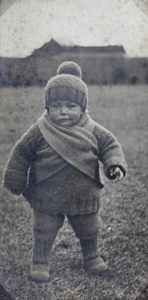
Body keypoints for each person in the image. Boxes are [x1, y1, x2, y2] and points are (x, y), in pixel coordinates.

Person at [3, 61, 127, 282]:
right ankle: (40, 261)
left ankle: (91, 256)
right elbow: (21, 152)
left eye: (71, 106)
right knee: (44, 228)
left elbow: (110, 146)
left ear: (82, 107)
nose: (63, 112)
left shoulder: (93, 129)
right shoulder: (40, 130)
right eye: (56, 105)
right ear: (47, 108)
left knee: (89, 227)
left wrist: (113, 164)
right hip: (47, 193)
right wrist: (15, 176)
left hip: (84, 193)